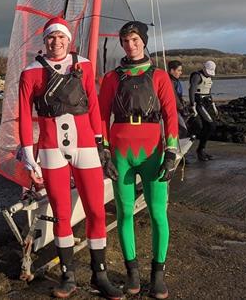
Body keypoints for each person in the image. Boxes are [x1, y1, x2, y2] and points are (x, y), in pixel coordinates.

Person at [18, 16, 122, 299]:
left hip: (86, 146)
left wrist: (102, 144)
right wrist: (29, 155)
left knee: (96, 211)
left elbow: (93, 103)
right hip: (52, 150)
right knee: (61, 214)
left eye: (61, 37)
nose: (56, 42)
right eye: (51, 37)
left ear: (69, 39)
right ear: (45, 41)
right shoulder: (30, 72)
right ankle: (68, 276)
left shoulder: (84, 64)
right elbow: (25, 116)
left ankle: (99, 274)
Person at [98, 21, 180, 299]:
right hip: (120, 153)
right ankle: (132, 273)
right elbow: (100, 115)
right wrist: (104, 150)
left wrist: (171, 151)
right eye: (125, 41)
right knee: (124, 214)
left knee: (158, 214)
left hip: (152, 152)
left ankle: (158, 274)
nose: (130, 45)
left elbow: (170, 115)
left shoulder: (159, 76)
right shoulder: (112, 78)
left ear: (143, 41)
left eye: (134, 40)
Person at [188, 60, 218, 161]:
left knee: (210, 126)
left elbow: (209, 91)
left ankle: (201, 150)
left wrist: (213, 104)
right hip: (199, 103)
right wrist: (192, 105)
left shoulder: (209, 78)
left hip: (207, 102)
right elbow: (192, 90)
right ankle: (199, 150)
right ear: (204, 68)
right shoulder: (197, 76)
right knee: (210, 125)